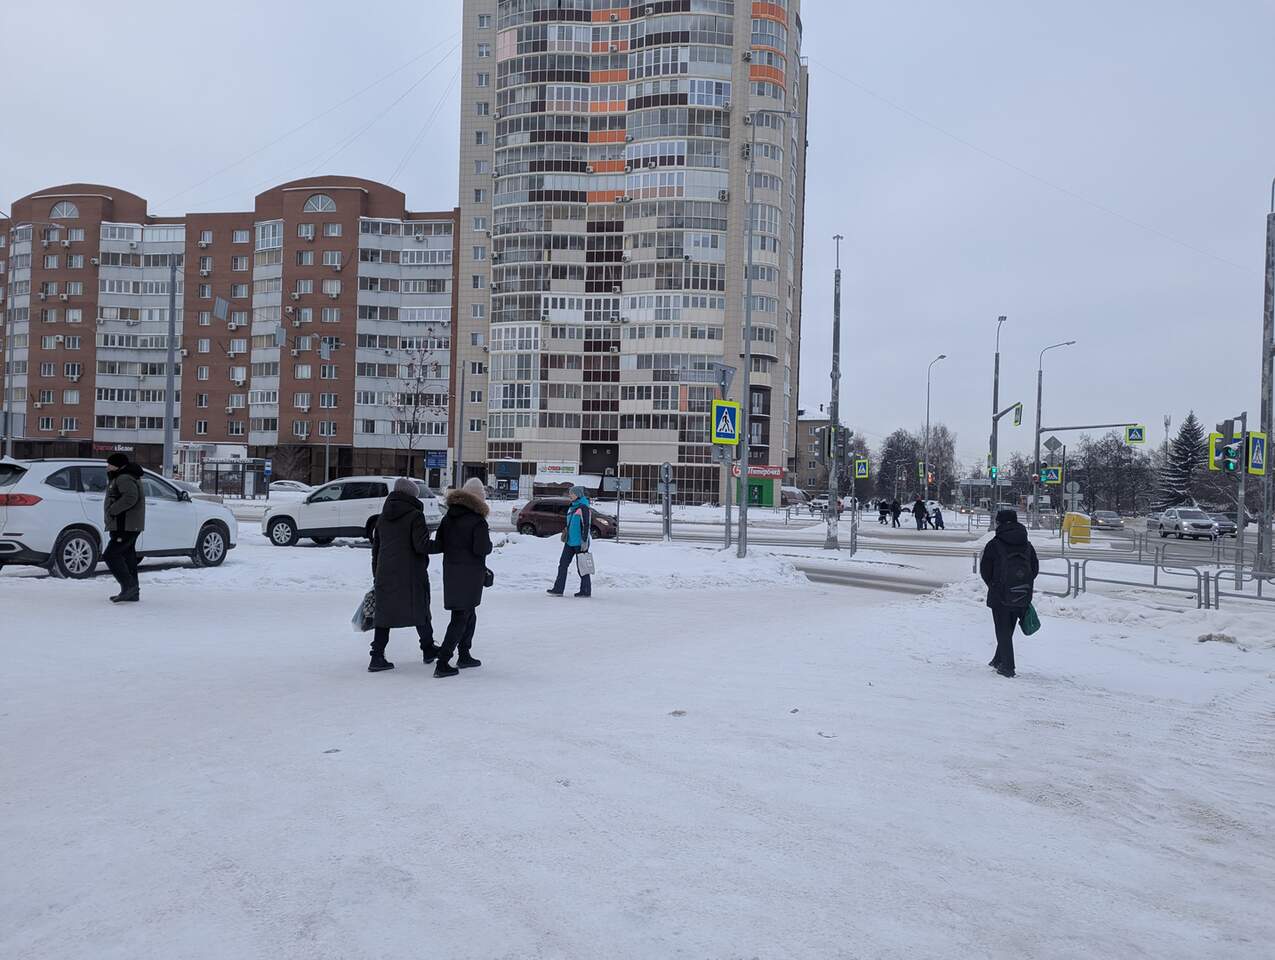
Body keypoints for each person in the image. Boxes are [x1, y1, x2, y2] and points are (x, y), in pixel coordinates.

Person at [366, 477, 438, 673]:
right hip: (411, 574)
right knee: (420, 610)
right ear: (411, 496)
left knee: (384, 615)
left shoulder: (382, 517)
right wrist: (444, 544)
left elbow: (376, 549)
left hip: (385, 573)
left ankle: (377, 656)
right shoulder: (415, 516)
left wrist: (376, 574)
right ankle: (428, 648)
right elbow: (421, 545)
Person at [429, 477, 492, 678]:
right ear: (478, 498)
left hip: (452, 573)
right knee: (461, 617)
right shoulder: (478, 521)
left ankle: (464, 654)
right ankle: (443, 661)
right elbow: (482, 549)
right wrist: (488, 544)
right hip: (470, 575)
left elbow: (440, 543)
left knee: (468, 614)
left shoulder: (449, 517)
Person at [979, 509, 1040, 678]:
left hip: (1000, 593)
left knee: (1002, 630)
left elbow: (985, 570)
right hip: (1022, 592)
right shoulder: (1027, 544)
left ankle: (1007, 666)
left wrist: (993, 584)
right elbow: (1034, 568)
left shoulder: (994, 544)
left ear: (999, 523)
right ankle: (998, 659)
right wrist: (1022, 583)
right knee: (1008, 628)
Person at [102, 452, 146, 603]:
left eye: (110, 464)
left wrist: (113, 510)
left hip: (125, 524)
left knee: (110, 555)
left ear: (117, 465)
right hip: (128, 524)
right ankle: (132, 592)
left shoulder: (124, 478)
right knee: (128, 557)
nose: (107, 467)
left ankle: (129, 587)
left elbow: (130, 497)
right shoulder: (124, 476)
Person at [548, 485, 593, 598]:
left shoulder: (583, 508)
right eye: (570, 493)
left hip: (580, 543)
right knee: (562, 565)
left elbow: (586, 525)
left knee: (582, 566)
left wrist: (584, 541)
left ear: (578, 495)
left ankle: (585, 590)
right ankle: (558, 589)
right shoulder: (572, 507)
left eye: (572, 493)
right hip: (569, 542)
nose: (570, 495)